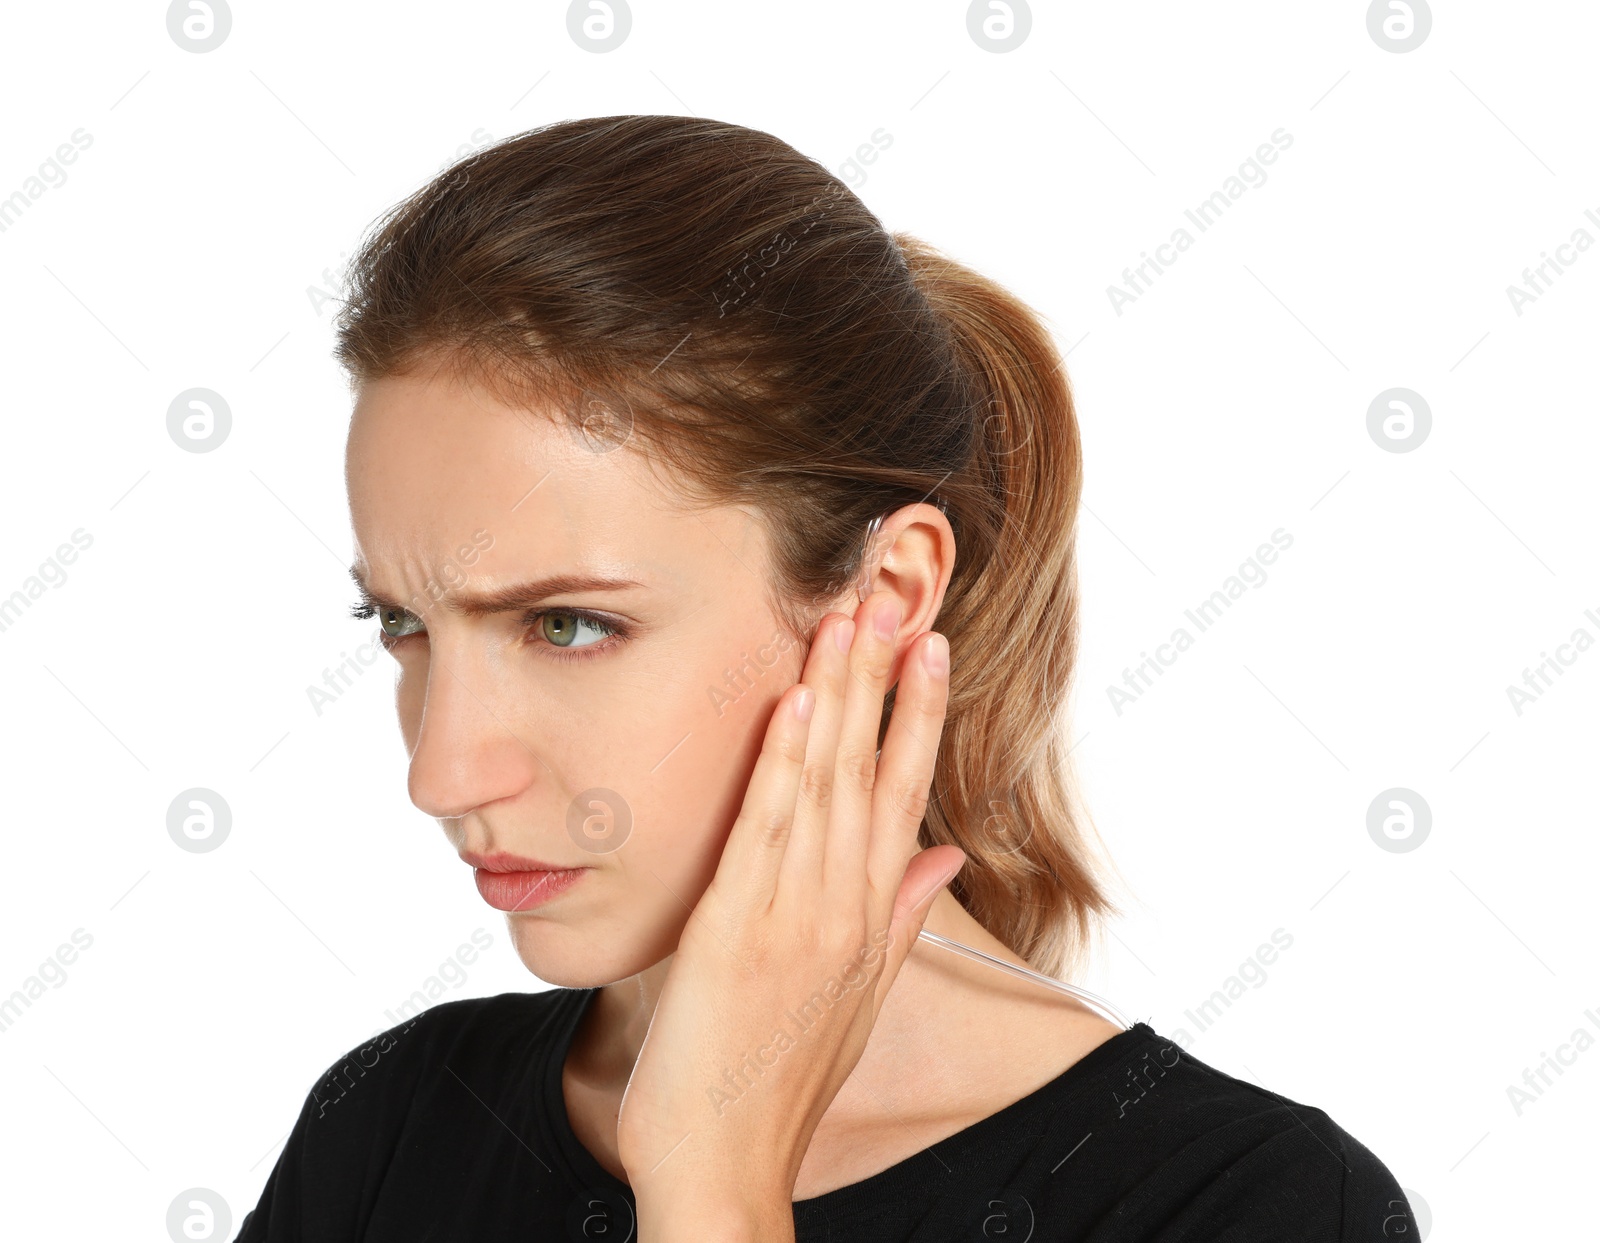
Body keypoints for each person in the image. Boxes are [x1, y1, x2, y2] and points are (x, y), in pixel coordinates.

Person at [237, 115, 1414, 1242]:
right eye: (401, 620)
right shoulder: (393, 1125)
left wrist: (713, 1184)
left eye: (569, 624)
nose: (441, 774)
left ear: (886, 597)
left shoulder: (1247, 1206)